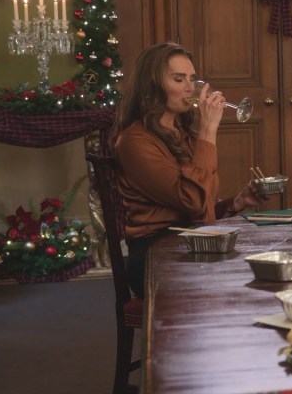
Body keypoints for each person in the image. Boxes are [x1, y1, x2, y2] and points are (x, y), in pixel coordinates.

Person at [113, 42, 267, 297]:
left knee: (260, 268)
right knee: (243, 282)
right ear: (152, 85)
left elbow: (194, 208)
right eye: (178, 79)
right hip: (155, 256)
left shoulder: (179, 132)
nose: (190, 88)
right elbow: (193, 202)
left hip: (191, 243)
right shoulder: (134, 142)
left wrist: (235, 203)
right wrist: (208, 131)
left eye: (192, 79)